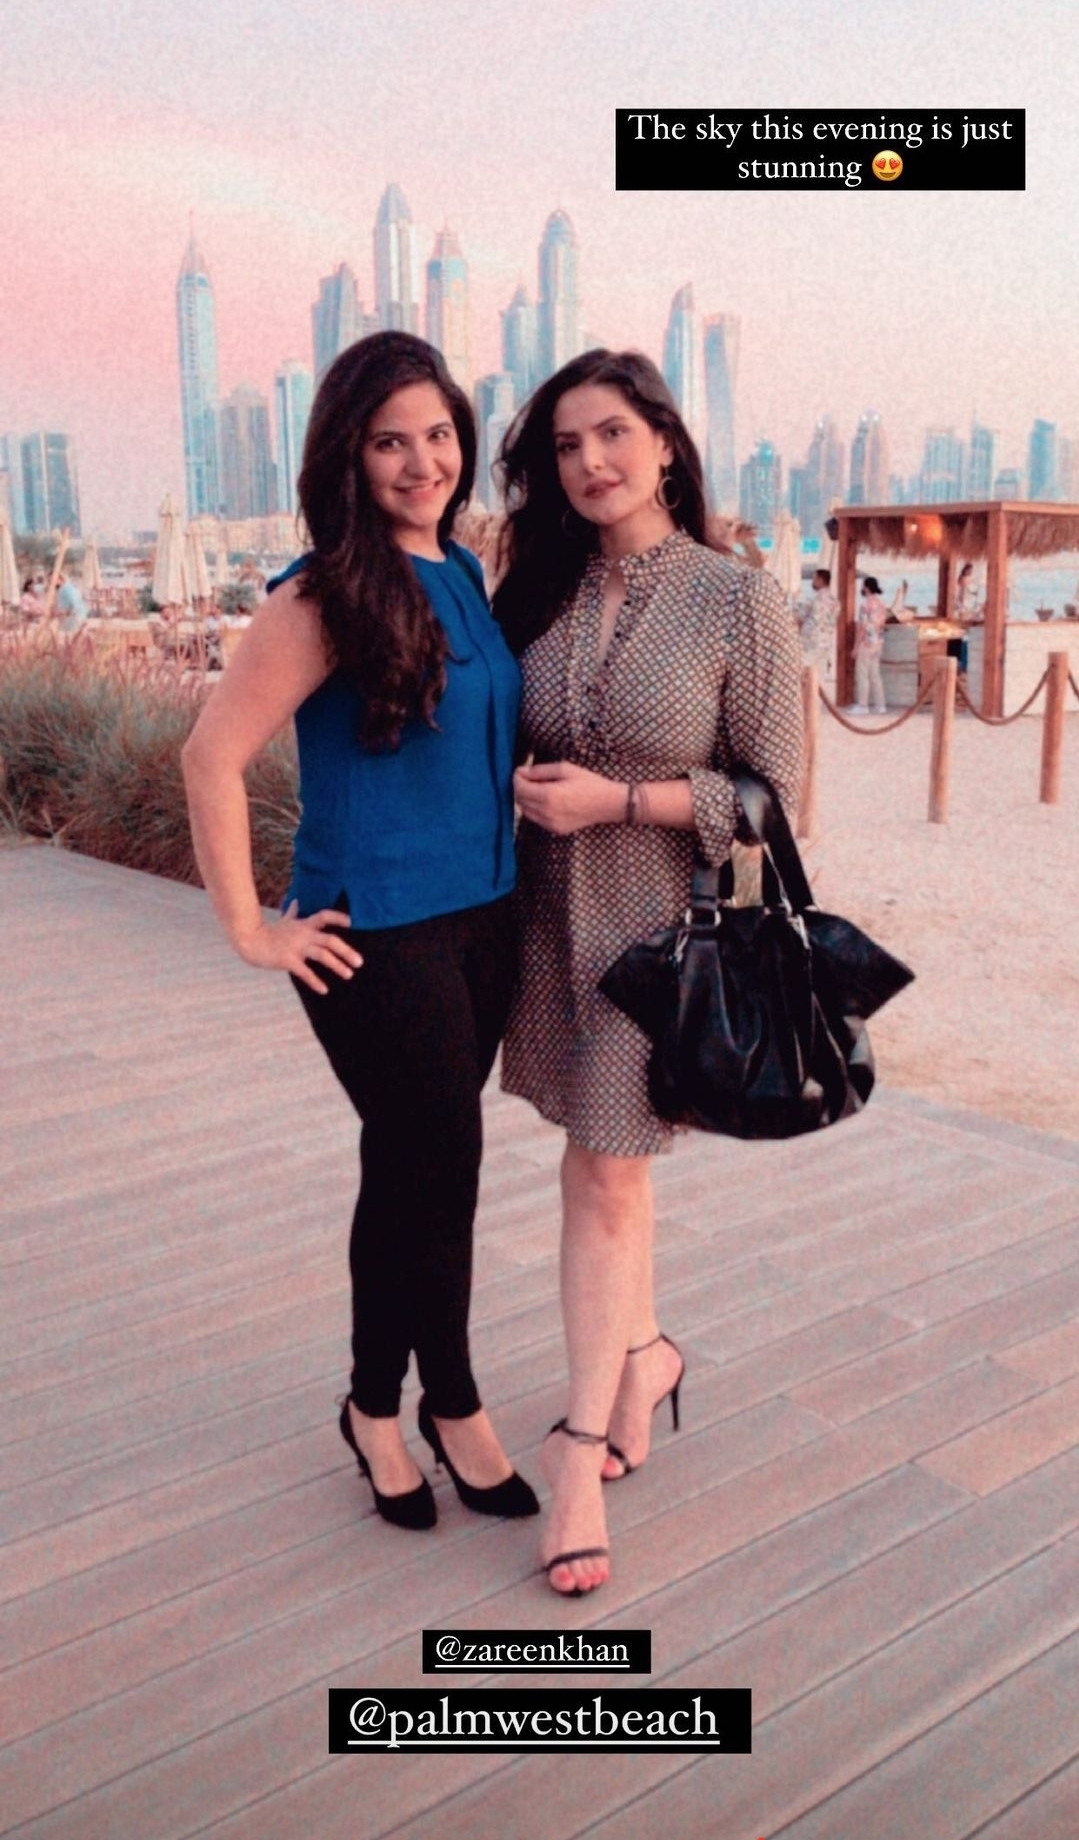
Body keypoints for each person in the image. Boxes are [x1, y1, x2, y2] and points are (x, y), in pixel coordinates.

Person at [182, 332, 538, 1532]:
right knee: (443, 1166)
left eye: (438, 435)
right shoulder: (318, 594)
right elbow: (211, 756)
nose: (421, 461)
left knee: (409, 1167)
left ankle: (371, 1403)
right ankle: (451, 1406)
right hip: (373, 933)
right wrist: (250, 927)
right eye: (390, 441)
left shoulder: (462, 569)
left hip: (483, 919)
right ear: (348, 454)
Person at [492, 349, 804, 1595]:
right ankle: (646, 1357)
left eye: (611, 433)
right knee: (610, 1171)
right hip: (544, 930)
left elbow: (773, 798)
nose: (589, 462)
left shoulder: (735, 599)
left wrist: (617, 800)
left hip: (659, 941)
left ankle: (574, 1454)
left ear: (664, 442)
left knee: (601, 1174)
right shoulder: (539, 588)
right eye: (566, 445)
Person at [848, 575, 889, 714]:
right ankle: (880, 705)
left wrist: (855, 647)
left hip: (866, 642)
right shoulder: (882, 604)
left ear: (866, 588)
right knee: (875, 674)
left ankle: (862, 705)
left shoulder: (865, 605)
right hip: (879, 642)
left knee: (862, 674)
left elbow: (862, 627)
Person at [795, 566, 839, 672]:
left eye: (814, 579)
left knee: (804, 669)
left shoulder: (813, 600)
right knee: (820, 674)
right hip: (826, 642)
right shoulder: (836, 602)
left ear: (820, 580)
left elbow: (798, 618)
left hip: (811, 642)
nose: (812, 582)